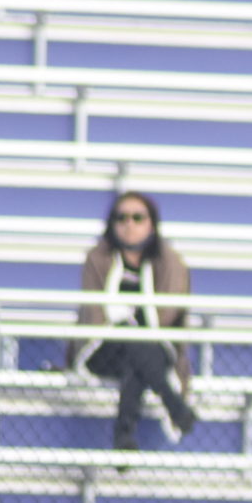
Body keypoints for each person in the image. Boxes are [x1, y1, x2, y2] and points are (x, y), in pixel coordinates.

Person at [74, 191, 198, 450]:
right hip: (106, 349)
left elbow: (170, 316)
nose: (129, 224)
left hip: (153, 348)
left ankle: (124, 436)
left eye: (137, 217)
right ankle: (174, 403)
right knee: (132, 341)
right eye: (122, 218)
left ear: (151, 223)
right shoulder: (98, 259)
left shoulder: (170, 263)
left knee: (138, 357)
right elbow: (95, 315)